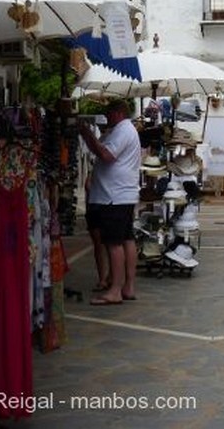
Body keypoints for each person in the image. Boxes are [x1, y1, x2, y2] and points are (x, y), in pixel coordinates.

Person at [78, 99, 141, 305]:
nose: (107, 117)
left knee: (114, 243)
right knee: (126, 239)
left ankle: (115, 289)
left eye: (109, 113)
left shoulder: (123, 130)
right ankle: (127, 286)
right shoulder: (123, 130)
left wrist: (88, 135)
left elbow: (106, 155)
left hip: (114, 196)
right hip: (121, 194)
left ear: (119, 113)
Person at [82, 115, 110, 292]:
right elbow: (88, 180)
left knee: (106, 244)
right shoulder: (99, 146)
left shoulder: (108, 150)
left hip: (104, 200)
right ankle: (104, 278)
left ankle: (108, 278)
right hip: (96, 201)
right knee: (101, 244)